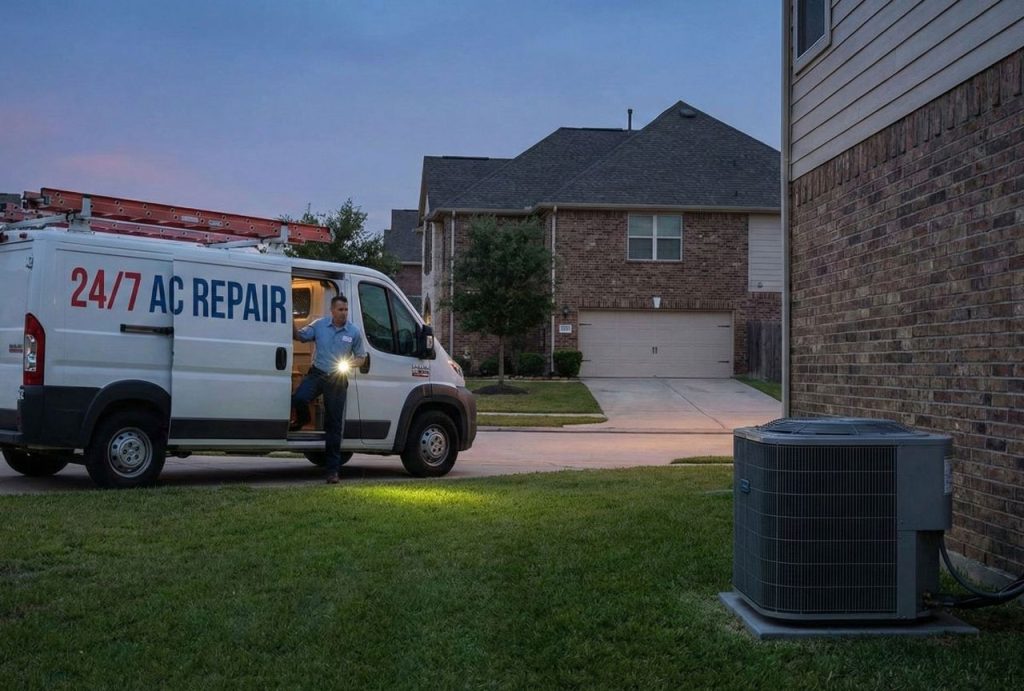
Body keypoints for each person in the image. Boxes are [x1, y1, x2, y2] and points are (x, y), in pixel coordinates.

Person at [292, 295, 367, 484]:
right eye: (340, 310)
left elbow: (361, 357)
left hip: (338, 379)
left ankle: (332, 471)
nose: (344, 313)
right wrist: (290, 319)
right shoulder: (319, 325)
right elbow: (300, 336)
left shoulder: (353, 332)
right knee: (299, 399)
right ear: (332, 310)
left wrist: (350, 363)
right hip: (317, 374)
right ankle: (303, 419)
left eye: (346, 310)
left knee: (333, 425)